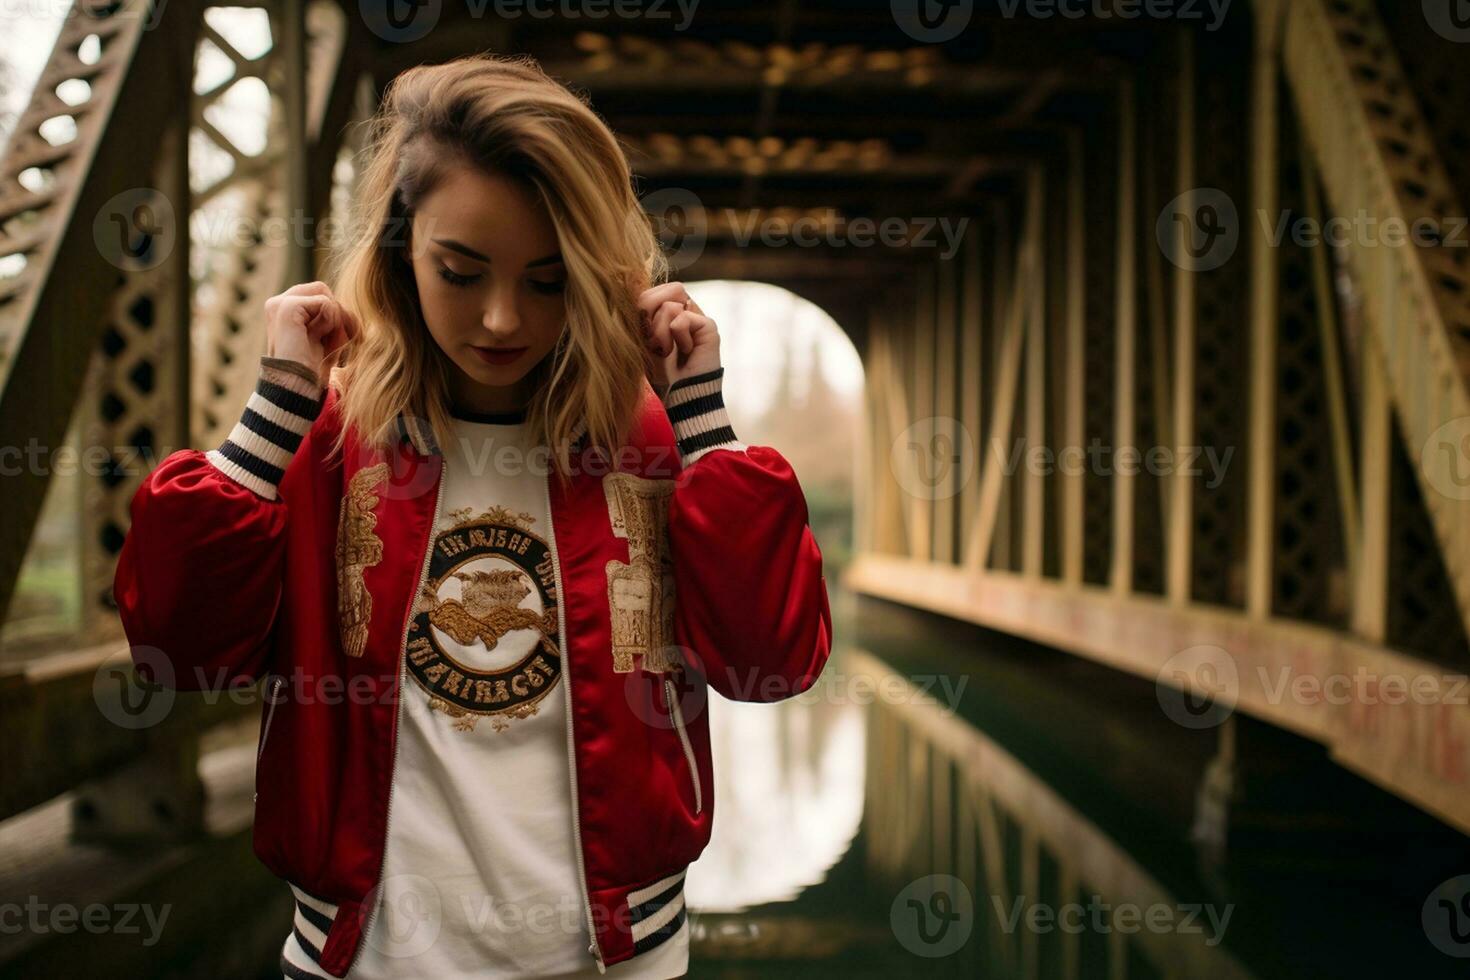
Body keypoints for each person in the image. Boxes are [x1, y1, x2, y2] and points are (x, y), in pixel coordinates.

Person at [111, 53, 833, 979]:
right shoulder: (329, 442)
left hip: (616, 960)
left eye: (547, 280)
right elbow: (182, 647)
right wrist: (275, 409)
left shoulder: (651, 442)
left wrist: (704, 422)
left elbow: (771, 663)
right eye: (461, 271)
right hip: (363, 958)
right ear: (400, 253)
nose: (501, 320)